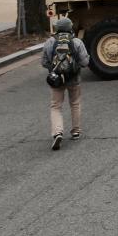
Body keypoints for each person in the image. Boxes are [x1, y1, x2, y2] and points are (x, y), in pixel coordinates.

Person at [41, 17, 90, 151]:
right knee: (75, 103)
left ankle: (57, 132)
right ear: (70, 28)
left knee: (56, 106)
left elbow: (44, 62)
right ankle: (75, 131)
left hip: (56, 80)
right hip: (74, 79)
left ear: (57, 28)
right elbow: (85, 62)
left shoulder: (50, 42)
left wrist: (55, 69)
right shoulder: (76, 42)